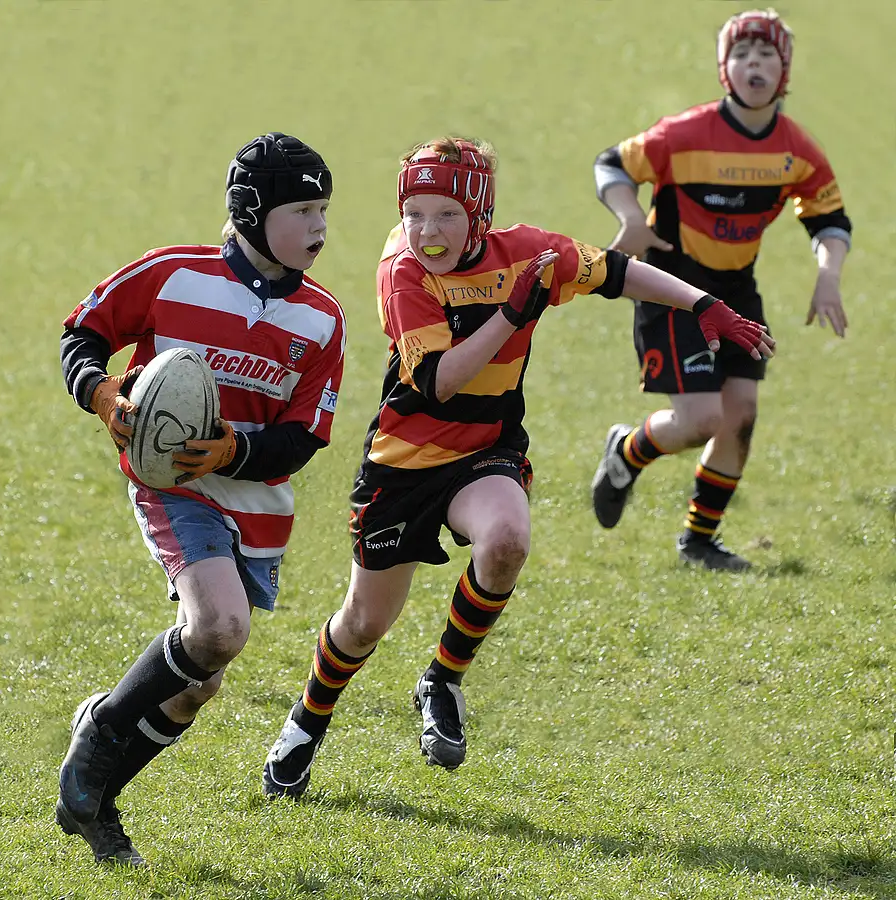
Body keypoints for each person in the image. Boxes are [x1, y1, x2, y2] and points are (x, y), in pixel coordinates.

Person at [261, 136, 774, 799]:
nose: (427, 231)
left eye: (446, 215)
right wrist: (512, 314)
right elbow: (440, 382)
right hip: (403, 463)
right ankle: (308, 721)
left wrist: (704, 305)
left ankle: (442, 679)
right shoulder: (403, 270)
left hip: (486, 450)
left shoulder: (526, 253)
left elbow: (616, 272)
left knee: (506, 541)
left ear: (480, 215)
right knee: (364, 623)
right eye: (414, 213)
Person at [56, 133, 346, 865]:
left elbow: (304, 437)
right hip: (172, 487)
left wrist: (231, 452)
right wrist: (103, 394)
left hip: (256, 508)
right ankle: (101, 732)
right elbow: (82, 335)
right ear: (250, 212)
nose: (318, 227)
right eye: (301, 211)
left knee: (197, 685)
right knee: (219, 627)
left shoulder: (322, 319)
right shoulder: (172, 274)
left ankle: (95, 800)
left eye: (323, 210)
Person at [590, 8, 851, 570]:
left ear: (784, 70)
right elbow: (611, 164)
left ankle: (698, 542)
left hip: (736, 288)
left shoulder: (796, 149)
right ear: (723, 69)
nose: (754, 63)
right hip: (671, 284)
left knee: (741, 413)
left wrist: (828, 275)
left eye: (766, 54)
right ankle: (627, 451)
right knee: (703, 419)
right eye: (741, 54)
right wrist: (630, 217)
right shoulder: (684, 133)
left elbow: (829, 219)